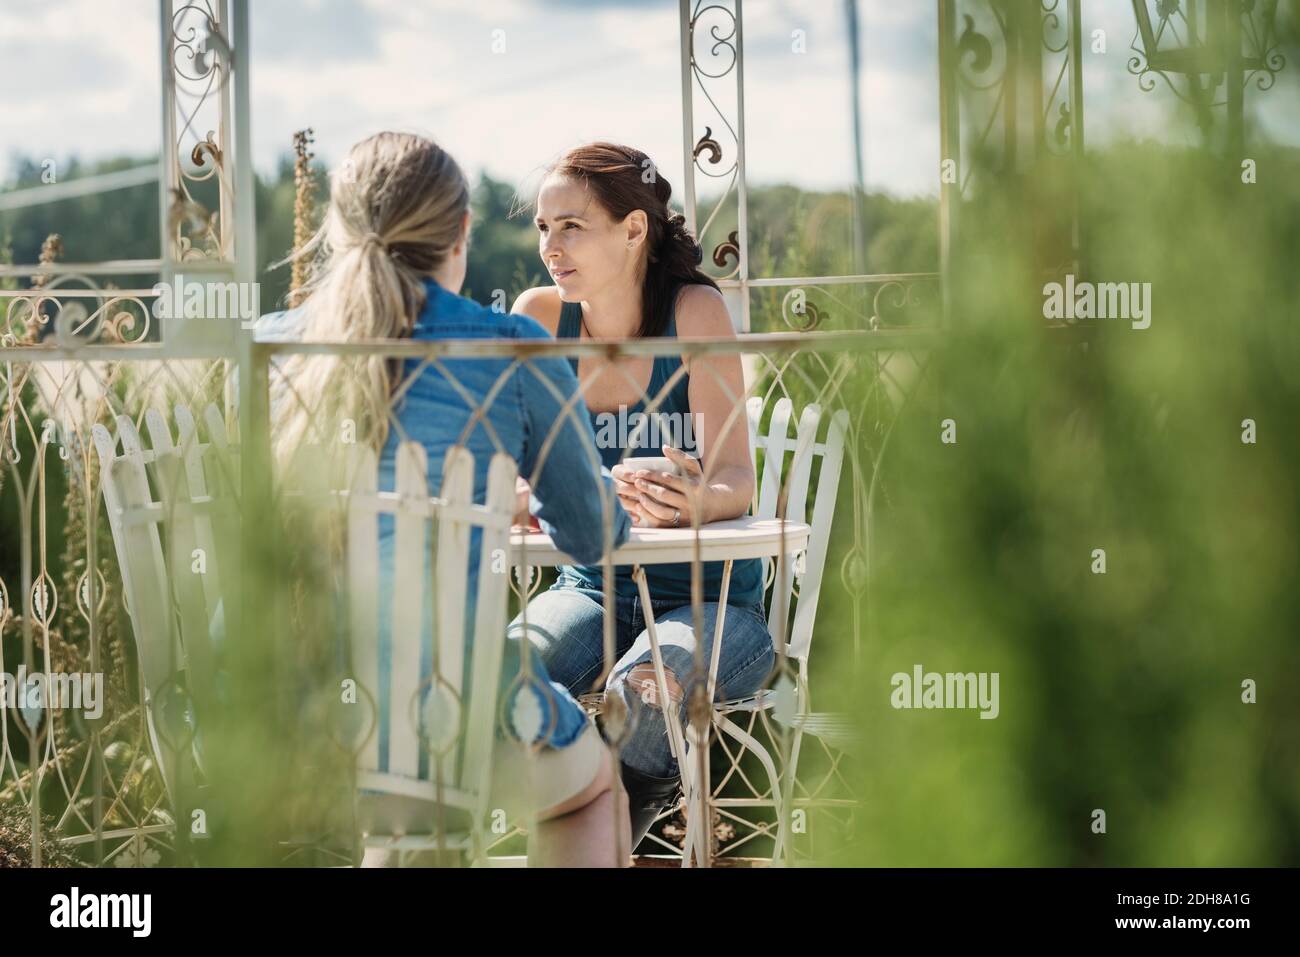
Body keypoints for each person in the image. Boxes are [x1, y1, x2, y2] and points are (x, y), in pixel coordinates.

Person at [262, 131, 632, 866]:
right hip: (453, 712)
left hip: (275, 712)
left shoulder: (270, 348)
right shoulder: (515, 349)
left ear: (336, 235)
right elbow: (595, 537)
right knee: (596, 792)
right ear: (462, 234)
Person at [510, 142, 773, 851]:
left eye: (571, 226)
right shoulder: (539, 318)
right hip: (590, 590)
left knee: (645, 687)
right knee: (506, 668)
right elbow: (509, 468)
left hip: (711, 599)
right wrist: (515, 490)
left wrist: (690, 501)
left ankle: (634, 816)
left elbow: (736, 482)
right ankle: (577, 820)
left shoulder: (694, 312)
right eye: (542, 227)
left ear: (633, 230)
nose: (550, 247)